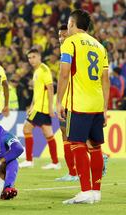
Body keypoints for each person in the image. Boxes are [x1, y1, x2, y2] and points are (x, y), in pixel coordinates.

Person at [56, 9, 109, 204]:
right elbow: (106, 80)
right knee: (95, 147)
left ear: (71, 24)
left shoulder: (70, 42)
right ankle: (96, 191)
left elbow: (64, 73)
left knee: (77, 145)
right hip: (96, 103)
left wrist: (59, 101)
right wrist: (104, 108)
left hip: (79, 102)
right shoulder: (99, 46)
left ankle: (85, 191)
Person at [19, 48, 60, 169]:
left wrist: (51, 107)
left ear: (39, 57)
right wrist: (31, 106)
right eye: (29, 58)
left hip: (42, 108)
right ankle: (55, 162)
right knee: (48, 134)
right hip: (38, 107)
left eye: (33, 57)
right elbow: (37, 92)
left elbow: (51, 88)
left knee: (26, 129)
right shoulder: (37, 71)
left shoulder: (43, 69)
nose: (31, 60)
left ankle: (29, 160)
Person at [54, 24, 78, 181]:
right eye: (60, 36)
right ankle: (72, 172)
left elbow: (65, 77)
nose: (61, 38)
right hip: (67, 101)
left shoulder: (72, 51)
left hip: (75, 101)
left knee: (74, 137)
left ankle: (99, 156)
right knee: (64, 134)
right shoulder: (64, 53)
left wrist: (58, 101)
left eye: (64, 35)